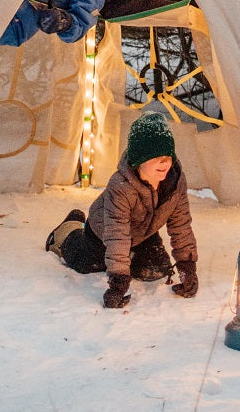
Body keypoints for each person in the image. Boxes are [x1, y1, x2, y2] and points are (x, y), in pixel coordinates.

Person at [45, 110, 199, 308]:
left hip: (143, 233)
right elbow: (117, 234)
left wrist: (188, 268)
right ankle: (68, 229)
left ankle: (128, 257)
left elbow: (181, 225)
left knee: (156, 270)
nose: (164, 162)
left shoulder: (175, 182)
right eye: (156, 157)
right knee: (86, 264)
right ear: (139, 160)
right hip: (103, 232)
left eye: (168, 156)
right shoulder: (121, 186)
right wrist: (118, 283)